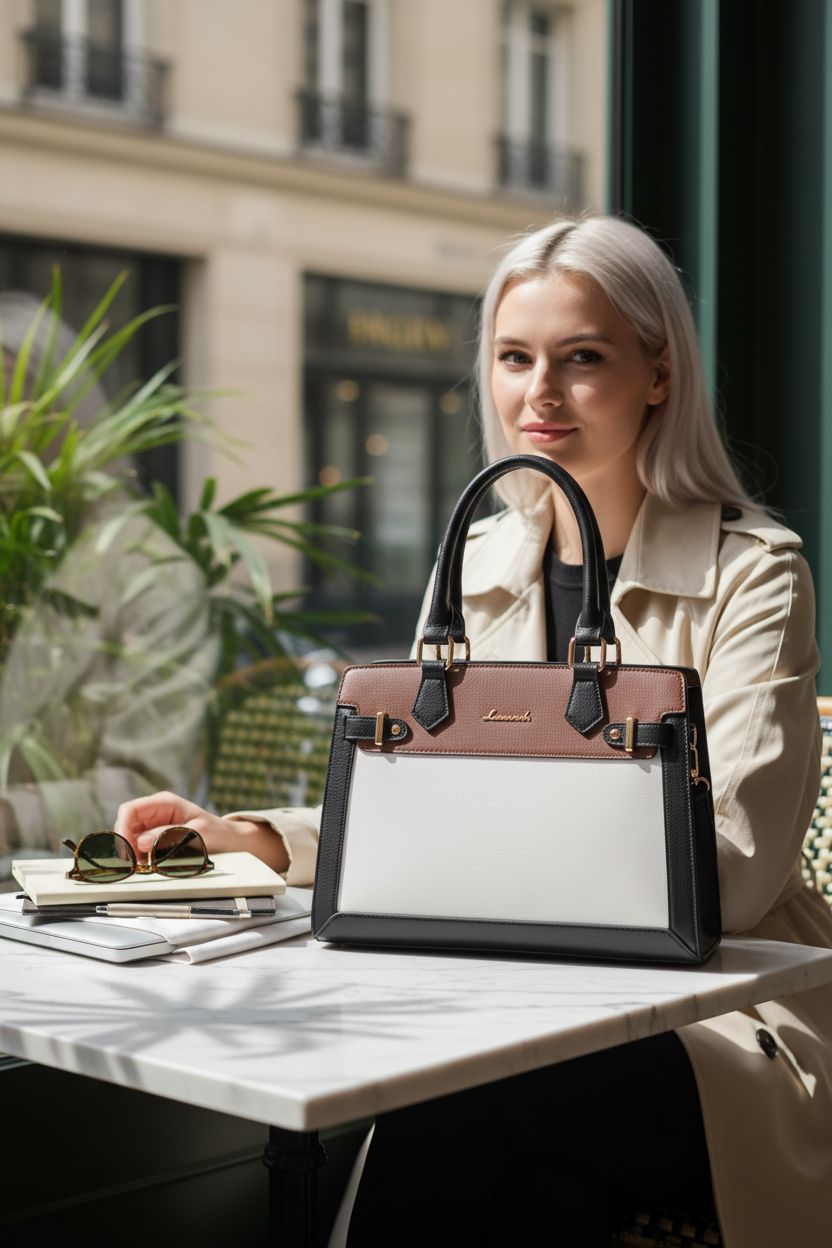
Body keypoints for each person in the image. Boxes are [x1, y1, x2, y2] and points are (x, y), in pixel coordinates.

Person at [115, 215, 832, 1248]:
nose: (538, 393)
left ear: (658, 373)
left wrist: (481, 875)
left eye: (581, 358)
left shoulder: (753, 575)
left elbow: (734, 874)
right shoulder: (480, 564)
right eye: (513, 358)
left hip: (718, 1025)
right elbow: (414, 805)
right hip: (513, 1006)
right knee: (511, 1145)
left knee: (467, 1092)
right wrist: (249, 840)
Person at [0, 292, 218, 874]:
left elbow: (147, 795)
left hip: (64, 885)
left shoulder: (149, 575)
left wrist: (8, 814)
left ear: (61, 411)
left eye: (10, 397)